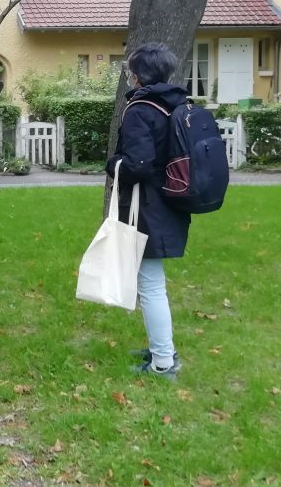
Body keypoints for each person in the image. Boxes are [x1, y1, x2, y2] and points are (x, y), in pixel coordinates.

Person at [106, 42, 192, 381]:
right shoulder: (175, 103)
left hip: (148, 205)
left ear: (139, 75)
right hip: (169, 201)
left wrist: (113, 164)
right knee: (152, 283)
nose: (129, 75)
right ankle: (162, 350)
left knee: (151, 285)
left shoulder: (141, 109)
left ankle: (162, 363)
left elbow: (139, 165)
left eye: (130, 70)